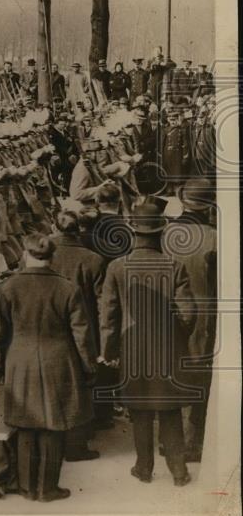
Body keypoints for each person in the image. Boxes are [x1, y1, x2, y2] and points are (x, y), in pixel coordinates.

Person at [0, 234, 96, 502]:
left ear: (26, 254)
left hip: (20, 360)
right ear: (52, 257)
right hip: (58, 361)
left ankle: (26, 487)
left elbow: (0, 332)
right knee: (53, 424)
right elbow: (82, 334)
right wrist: (89, 366)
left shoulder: (9, 287)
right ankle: (47, 489)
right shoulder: (68, 289)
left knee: (25, 424)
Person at [99, 197, 196, 486]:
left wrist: (109, 350)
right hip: (168, 349)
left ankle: (143, 468)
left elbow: (109, 316)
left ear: (133, 231)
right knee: (170, 410)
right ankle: (179, 472)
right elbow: (189, 314)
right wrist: (177, 337)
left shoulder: (117, 267)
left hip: (133, 351)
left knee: (139, 410)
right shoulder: (174, 266)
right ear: (162, 231)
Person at [163, 180, 217, 461]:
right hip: (202, 318)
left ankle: (169, 440)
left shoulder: (167, 234)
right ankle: (190, 443)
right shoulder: (213, 238)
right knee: (197, 375)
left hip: (169, 314)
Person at [50, 210, 109, 451]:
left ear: (56, 228)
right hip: (84, 328)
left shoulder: (44, 253)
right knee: (82, 382)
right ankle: (79, 437)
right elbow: (102, 302)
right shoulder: (93, 259)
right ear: (79, 230)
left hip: (49, 326)